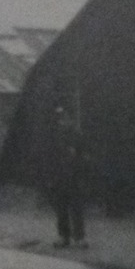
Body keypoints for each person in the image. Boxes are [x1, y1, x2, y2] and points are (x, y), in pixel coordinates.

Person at [47, 105, 88, 248]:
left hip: (74, 176)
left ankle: (79, 238)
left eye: (64, 117)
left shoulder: (76, 134)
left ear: (69, 118)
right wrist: (51, 177)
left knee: (76, 208)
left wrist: (79, 170)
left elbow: (81, 155)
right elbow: (50, 157)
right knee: (61, 209)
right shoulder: (53, 136)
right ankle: (63, 237)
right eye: (59, 118)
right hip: (59, 177)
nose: (62, 121)